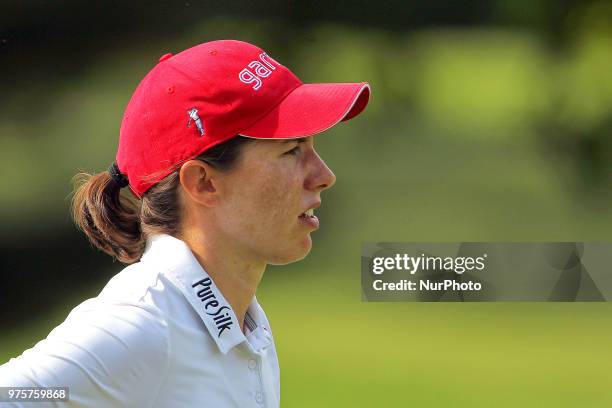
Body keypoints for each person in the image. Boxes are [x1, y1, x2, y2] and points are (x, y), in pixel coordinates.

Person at [0, 39, 370, 407]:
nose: (324, 175)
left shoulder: (247, 326)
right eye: (291, 150)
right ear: (203, 182)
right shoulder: (141, 325)